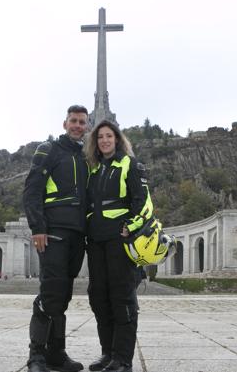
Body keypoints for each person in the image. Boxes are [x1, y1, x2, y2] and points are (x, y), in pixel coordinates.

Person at [23, 105, 90, 372]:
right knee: (50, 292)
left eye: (82, 122)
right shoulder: (49, 149)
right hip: (53, 231)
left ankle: (57, 354)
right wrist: (37, 227)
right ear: (65, 124)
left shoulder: (87, 157)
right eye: (73, 121)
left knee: (63, 296)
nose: (77, 125)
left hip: (78, 235)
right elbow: (32, 189)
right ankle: (36, 355)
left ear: (87, 126)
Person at [85, 120, 153, 372]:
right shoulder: (94, 170)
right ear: (96, 142)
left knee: (121, 297)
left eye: (109, 136)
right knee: (98, 296)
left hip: (119, 241)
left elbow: (144, 202)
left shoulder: (131, 164)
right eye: (100, 137)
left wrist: (132, 227)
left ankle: (123, 359)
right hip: (96, 242)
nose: (104, 140)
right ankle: (108, 354)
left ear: (117, 139)